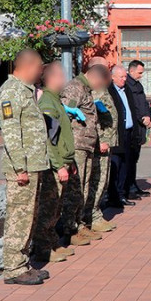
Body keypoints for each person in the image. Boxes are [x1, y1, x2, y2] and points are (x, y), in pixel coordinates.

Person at [0, 49, 49, 285]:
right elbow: (11, 133)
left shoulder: (24, 92)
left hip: (32, 165)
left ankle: (22, 263)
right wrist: (20, 168)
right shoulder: (11, 92)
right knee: (19, 217)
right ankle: (14, 268)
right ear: (28, 66)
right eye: (39, 68)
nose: (40, 73)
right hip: (22, 169)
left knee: (29, 216)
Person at [60, 62, 111, 246]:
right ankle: (70, 229)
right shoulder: (75, 87)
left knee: (84, 187)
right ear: (95, 77)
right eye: (101, 84)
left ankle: (80, 225)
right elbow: (64, 115)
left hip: (87, 146)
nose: (100, 88)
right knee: (76, 187)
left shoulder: (86, 89)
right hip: (77, 145)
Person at [34, 61, 77, 263]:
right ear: (52, 78)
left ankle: (52, 243)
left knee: (55, 209)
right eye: (61, 75)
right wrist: (59, 165)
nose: (64, 79)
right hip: (54, 166)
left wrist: (70, 161)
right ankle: (43, 249)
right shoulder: (48, 103)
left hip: (63, 162)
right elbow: (48, 140)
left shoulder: (55, 100)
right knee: (48, 209)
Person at [88, 56, 120, 235]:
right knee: (97, 181)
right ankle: (92, 216)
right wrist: (102, 140)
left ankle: (96, 214)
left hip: (107, 143)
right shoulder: (94, 91)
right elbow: (94, 119)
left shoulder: (102, 88)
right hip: (101, 144)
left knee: (103, 181)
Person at [108, 65, 143, 207]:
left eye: (125, 76)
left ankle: (122, 193)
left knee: (126, 165)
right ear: (113, 77)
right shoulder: (109, 91)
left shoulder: (126, 89)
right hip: (117, 134)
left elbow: (132, 110)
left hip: (129, 133)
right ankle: (113, 196)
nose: (124, 79)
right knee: (116, 165)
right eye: (121, 77)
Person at [126, 60, 151, 197]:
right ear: (131, 71)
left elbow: (143, 103)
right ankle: (128, 187)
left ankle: (133, 185)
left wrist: (148, 116)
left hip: (141, 127)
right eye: (139, 72)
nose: (141, 75)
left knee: (134, 158)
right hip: (134, 127)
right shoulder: (127, 86)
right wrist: (142, 118)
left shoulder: (137, 85)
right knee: (129, 159)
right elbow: (132, 107)